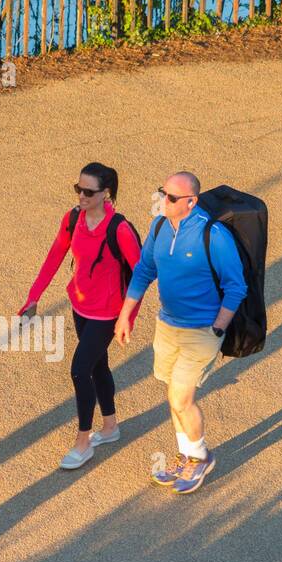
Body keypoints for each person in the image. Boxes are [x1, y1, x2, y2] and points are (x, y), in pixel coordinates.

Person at [115, 171, 247, 494]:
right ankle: (185, 455)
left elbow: (236, 286)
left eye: (171, 197)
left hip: (201, 331)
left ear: (191, 202)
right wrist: (125, 314)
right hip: (167, 326)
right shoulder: (159, 226)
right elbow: (145, 270)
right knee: (171, 394)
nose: (163, 201)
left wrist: (217, 328)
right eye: (162, 193)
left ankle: (201, 457)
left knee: (180, 396)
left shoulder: (212, 235)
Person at [19, 162, 142, 470]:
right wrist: (34, 296)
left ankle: (83, 442)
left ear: (106, 194)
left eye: (88, 191)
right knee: (98, 366)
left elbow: (142, 273)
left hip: (106, 315)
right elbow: (55, 254)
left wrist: (128, 315)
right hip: (80, 306)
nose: (81, 196)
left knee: (79, 370)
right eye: (78, 189)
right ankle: (111, 427)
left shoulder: (120, 230)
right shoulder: (73, 219)